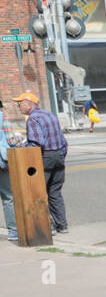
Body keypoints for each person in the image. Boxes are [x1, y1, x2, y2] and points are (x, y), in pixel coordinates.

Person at [14, 92, 68, 233]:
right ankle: (62, 225)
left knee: (39, 192)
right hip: (58, 156)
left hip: (46, 158)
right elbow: (63, 141)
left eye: (20, 103)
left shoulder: (33, 119)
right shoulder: (49, 115)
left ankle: (48, 227)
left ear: (29, 104)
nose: (18, 106)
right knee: (55, 192)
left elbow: (37, 144)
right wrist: (60, 155)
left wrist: (20, 147)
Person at [0, 99, 14, 241]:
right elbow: (11, 139)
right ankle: (13, 231)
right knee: (8, 197)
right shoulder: (2, 117)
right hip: (2, 163)